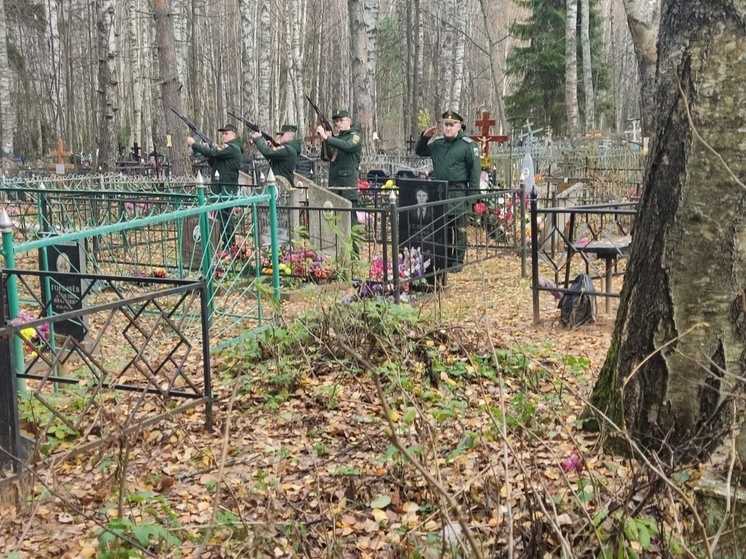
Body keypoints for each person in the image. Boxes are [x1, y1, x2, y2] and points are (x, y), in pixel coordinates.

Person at [415, 110, 481, 270]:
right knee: (443, 229)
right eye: (446, 125)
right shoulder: (437, 144)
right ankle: (445, 259)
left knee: (459, 229)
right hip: (440, 191)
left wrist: (472, 197)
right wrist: (425, 137)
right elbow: (420, 151)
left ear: (459, 126)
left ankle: (457, 261)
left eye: (452, 125)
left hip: (458, 191)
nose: (448, 128)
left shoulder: (468, 145)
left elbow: (474, 172)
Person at [187, 123, 244, 252]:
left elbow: (215, 153)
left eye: (226, 133)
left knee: (225, 218)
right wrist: (208, 152)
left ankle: (229, 245)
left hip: (226, 188)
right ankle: (225, 244)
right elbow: (215, 161)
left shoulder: (233, 148)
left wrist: (195, 144)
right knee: (220, 217)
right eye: (222, 134)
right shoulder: (226, 149)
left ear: (233, 135)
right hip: (219, 186)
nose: (223, 136)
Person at [316, 108, 362, 253]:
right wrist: (326, 141)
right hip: (335, 184)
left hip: (347, 186)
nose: (338, 123)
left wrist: (328, 138)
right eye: (336, 121)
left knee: (351, 223)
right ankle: (338, 252)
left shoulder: (355, 137)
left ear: (349, 121)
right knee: (335, 221)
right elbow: (326, 157)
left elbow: (348, 147)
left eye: (341, 120)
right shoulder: (338, 138)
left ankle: (354, 255)